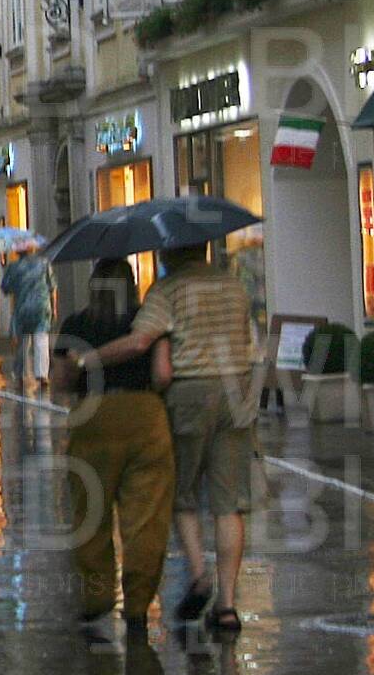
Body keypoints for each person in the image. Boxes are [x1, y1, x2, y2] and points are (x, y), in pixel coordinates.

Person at [90, 241, 259, 635]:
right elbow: (247, 341)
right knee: (228, 505)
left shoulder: (167, 290)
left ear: (171, 253)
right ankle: (227, 606)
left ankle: (199, 574)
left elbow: (140, 341)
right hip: (237, 393)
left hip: (190, 393)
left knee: (182, 495)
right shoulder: (233, 286)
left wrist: (89, 358)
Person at [49, 259, 175, 642]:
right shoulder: (148, 321)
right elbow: (162, 375)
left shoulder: (76, 325)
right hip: (145, 416)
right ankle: (137, 604)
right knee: (145, 518)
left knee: (91, 513)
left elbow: (60, 382)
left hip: (93, 417)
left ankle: (97, 596)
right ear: (132, 287)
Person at [2, 245, 54, 393]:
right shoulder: (44, 263)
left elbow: (6, 288)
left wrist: (10, 274)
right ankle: (42, 375)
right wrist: (54, 307)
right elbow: (52, 286)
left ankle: (21, 375)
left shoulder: (13, 267)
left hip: (23, 308)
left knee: (23, 343)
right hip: (42, 306)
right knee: (41, 340)